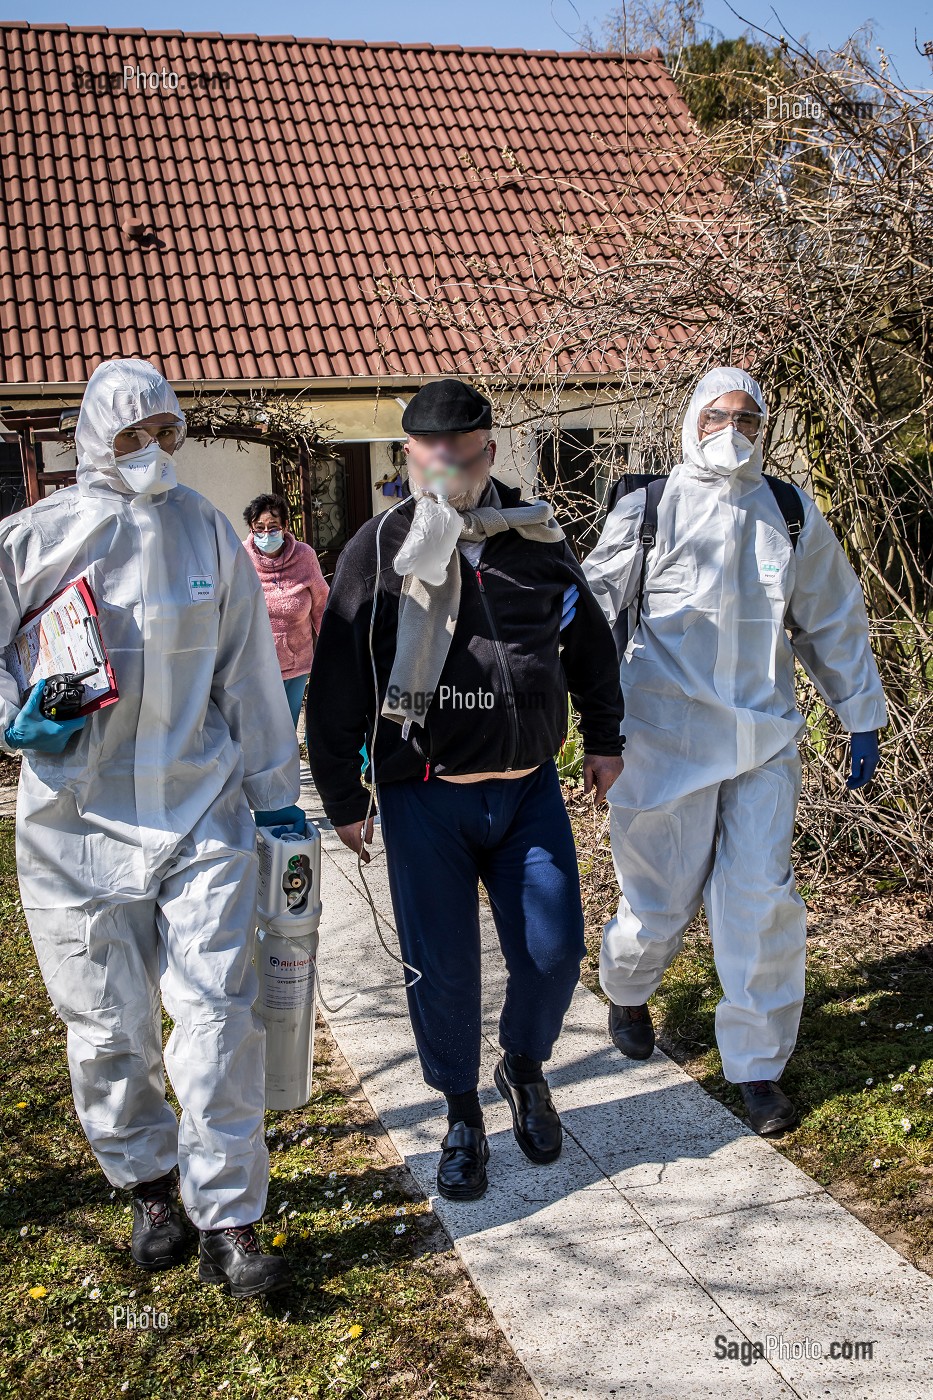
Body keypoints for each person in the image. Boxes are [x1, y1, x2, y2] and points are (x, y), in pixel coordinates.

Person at [0, 359, 304, 1296]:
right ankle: (150, 1184)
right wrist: (20, 716)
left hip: (198, 809)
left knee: (216, 1017)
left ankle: (232, 1216)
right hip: (72, 824)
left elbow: (249, 674)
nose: (153, 454)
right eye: (133, 438)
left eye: (166, 435)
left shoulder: (209, 533)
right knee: (105, 1028)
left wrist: (272, 791)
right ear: (94, 440)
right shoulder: (32, 539)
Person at [307, 378, 624, 1200]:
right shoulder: (378, 550)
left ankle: (522, 1065)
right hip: (426, 797)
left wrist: (603, 736)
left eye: (462, 449)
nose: (445, 463)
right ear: (410, 454)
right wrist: (343, 795)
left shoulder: (537, 535)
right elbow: (338, 681)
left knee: (553, 955)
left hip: (526, 795)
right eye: (428, 450)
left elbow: (587, 643)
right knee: (441, 970)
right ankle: (458, 1113)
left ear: (489, 448)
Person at [583, 366, 888, 1135]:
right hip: (660, 740)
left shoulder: (786, 513)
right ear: (691, 420)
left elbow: (831, 618)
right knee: (657, 904)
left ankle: (756, 1068)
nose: (732, 432)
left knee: (760, 903)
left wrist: (859, 711)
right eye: (717, 416)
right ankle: (626, 988)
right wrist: (566, 711)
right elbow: (588, 612)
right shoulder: (647, 509)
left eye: (747, 420)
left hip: (760, 738)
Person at [242, 493, 329, 728]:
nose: (266, 534)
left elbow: (322, 606)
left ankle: (288, 765)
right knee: (260, 730)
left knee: (286, 728)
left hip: (296, 662)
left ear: (285, 527)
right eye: (259, 528)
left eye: (273, 527)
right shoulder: (240, 558)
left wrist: (333, 649)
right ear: (251, 528)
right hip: (255, 664)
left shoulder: (304, 556)